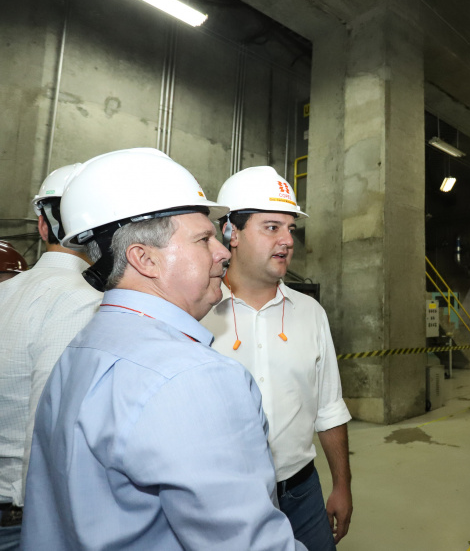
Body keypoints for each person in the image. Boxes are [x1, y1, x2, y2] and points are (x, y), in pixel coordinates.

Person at [21, 148, 305, 550]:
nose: (223, 251)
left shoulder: (81, 350)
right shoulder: (193, 378)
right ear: (145, 259)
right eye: (204, 238)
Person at [201, 166, 352, 550]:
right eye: (271, 228)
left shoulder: (310, 313)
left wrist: (341, 486)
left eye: (291, 229)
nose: (287, 240)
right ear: (231, 233)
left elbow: (329, 408)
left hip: (303, 493)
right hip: (222, 500)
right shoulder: (196, 311)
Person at [0, 165, 102, 549]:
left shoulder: (7, 292)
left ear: (43, 227)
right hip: (27, 518)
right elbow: (48, 428)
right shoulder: (83, 301)